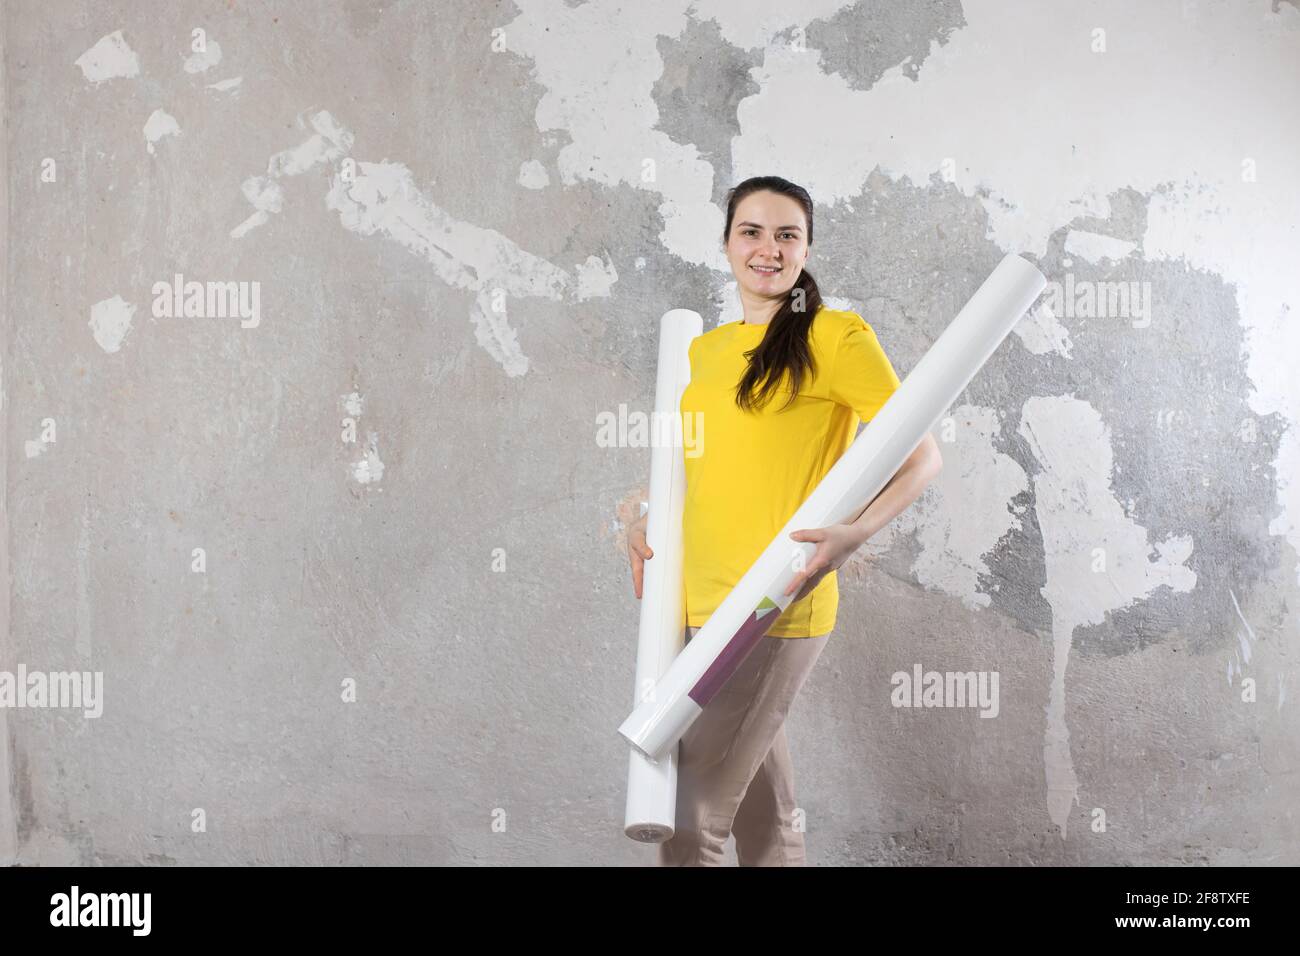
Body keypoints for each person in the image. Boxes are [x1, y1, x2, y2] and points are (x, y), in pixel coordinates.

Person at [626, 176, 944, 866]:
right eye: (752, 231)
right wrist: (640, 507)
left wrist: (857, 531)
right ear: (727, 243)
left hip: (771, 602)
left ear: (806, 249)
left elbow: (921, 456)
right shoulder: (704, 353)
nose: (767, 249)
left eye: (786, 234)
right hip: (695, 603)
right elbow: (702, 467)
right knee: (766, 819)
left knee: (690, 824)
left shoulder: (836, 336)